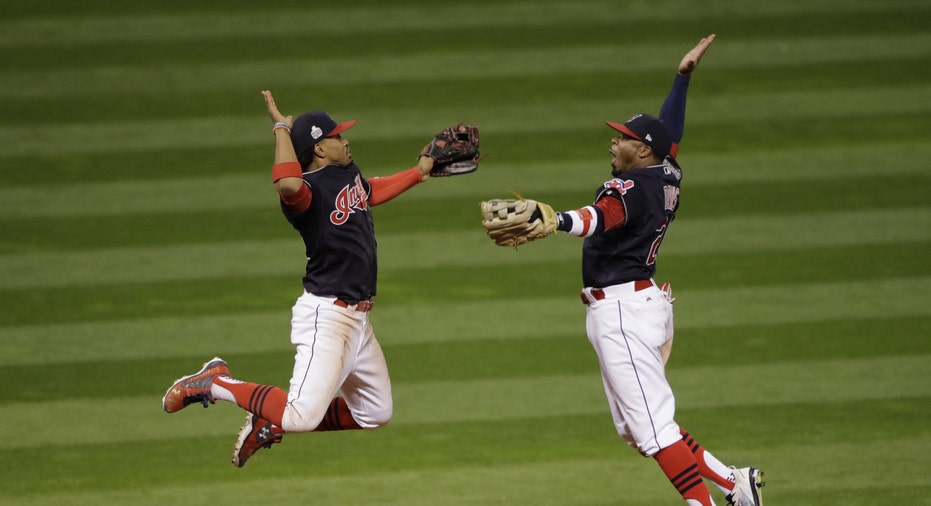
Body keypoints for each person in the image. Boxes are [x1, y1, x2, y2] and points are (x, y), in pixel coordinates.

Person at [502, 35, 764, 505]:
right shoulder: (667, 173)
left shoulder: (628, 186)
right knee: (636, 428)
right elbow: (670, 130)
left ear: (641, 152)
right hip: (643, 304)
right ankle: (733, 481)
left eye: (623, 137)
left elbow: (598, 218)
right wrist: (682, 78)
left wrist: (555, 220)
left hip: (623, 312)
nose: (615, 140)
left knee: (654, 429)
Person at [162, 91, 444, 467]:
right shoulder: (304, 195)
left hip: (358, 321)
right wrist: (281, 128)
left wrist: (420, 173)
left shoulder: (347, 173)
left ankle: (271, 419)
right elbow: (286, 183)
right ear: (320, 149)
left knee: (375, 413)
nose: (345, 140)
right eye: (336, 136)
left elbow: (370, 191)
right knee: (300, 415)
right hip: (327, 315)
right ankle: (215, 381)